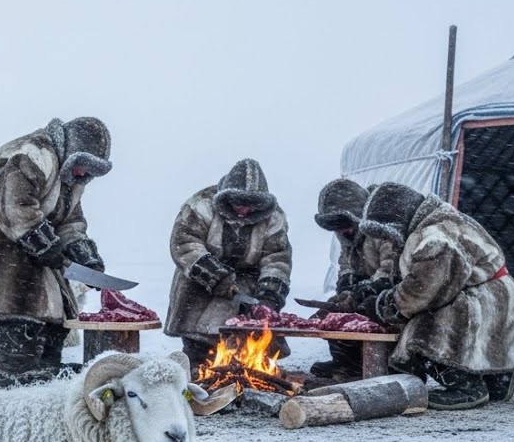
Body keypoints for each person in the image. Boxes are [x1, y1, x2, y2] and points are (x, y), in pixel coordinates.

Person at [0, 117, 112, 388]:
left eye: (91, 170)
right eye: (84, 165)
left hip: (31, 236)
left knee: (57, 312)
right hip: (0, 236)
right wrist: (43, 243)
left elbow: (70, 221)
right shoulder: (33, 153)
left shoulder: (69, 176)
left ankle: (45, 370)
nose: (83, 174)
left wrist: (85, 256)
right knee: (22, 306)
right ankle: (17, 375)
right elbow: (14, 204)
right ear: (75, 151)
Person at [356, 182, 514, 409]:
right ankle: (497, 379)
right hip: (495, 297)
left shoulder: (435, 237)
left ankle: (466, 387)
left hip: (480, 300)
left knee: (421, 333)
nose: (390, 241)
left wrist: (387, 305)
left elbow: (423, 290)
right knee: (490, 366)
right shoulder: (442, 220)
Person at [164, 158, 292, 376]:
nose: (243, 209)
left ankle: (243, 370)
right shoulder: (200, 205)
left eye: (251, 205)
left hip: (248, 280)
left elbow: (276, 257)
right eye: (238, 202)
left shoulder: (273, 218)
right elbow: (184, 243)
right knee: (199, 347)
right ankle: (198, 368)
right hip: (198, 282)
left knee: (245, 340)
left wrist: (269, 296)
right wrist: (214, 276)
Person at [308, 177, 396, 380]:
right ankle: (345, 363)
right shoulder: (347, 235)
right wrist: (346, 285)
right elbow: (345, 264)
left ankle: (386, 363)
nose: (342, 231)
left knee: (369, 309)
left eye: (344, 225)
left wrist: (365, 290)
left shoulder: (381, 227)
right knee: (335, 311)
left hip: (388, 290)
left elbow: (390, 267)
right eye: (337, 227)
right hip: (366, 285)